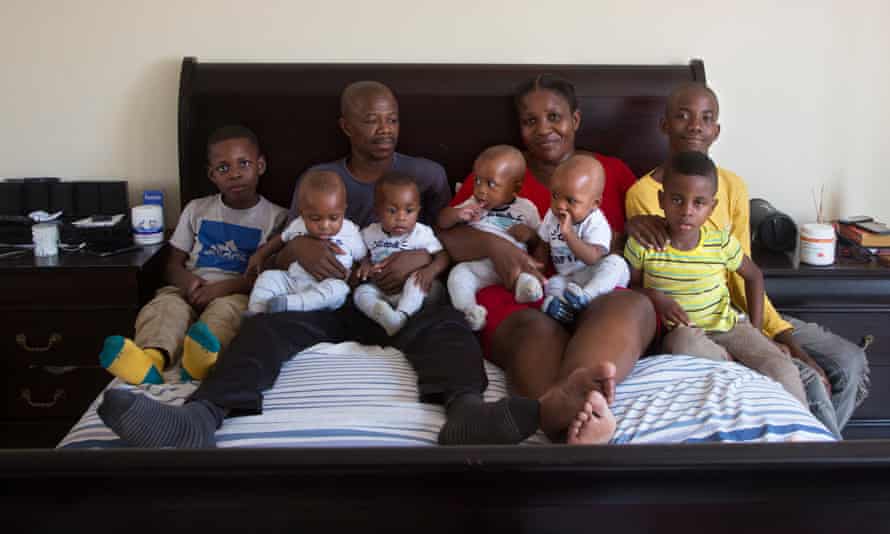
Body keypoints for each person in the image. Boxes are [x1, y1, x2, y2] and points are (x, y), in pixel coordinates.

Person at [95, 81, 601, 448]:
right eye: (369, 119)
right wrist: (298, 252)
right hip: (330, 293)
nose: (383, 129)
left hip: (402, 293)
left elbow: (453, 237)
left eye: (391, 119)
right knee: (264, 326)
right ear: (345, 126)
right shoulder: (319, 177)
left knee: (447, 326)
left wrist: (424, 260)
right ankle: (200, 416)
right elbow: (287, 240)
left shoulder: (424, 174)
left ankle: (466, 411)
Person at [624, 82, 868, 438]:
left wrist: (771, 333)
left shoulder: (732, 186)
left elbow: (744, 273)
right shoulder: (643, 195)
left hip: (734, 316)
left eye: (706, 119)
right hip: (688, 324)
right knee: (806, 377)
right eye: (683, 116)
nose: (695, 126)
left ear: (716, 130)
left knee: (848, 362)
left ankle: (819, 454)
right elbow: (642, 277)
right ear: (664, 125)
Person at [439, 74, 657, 444]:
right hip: (524, 295)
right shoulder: (499, 171)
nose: (544, 129)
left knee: (632, 305)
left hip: (592, 290)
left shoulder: (613, 171)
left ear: (576, 120)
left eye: (554, 117)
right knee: (534, 327)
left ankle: (571, 405)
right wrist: (496, 247)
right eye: (530, 121)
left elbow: (639, 236)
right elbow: (447, 236)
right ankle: (571, 415)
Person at [99, 125, 287, 384]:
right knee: (164, 308)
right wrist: (187, 282)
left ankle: (199, 362)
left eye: (243, 163)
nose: (234, 174)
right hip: (188, 288)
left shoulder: (277, 217)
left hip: (237, 291)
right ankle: (150, 359)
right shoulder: (197, 209)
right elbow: (172, 264)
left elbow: (270, 276)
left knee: (227, 314)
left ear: (260, 165)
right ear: (212, 174)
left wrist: (222, 288)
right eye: (223, 168)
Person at [625, 151, 807, 404]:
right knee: (680, 344)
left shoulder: (720, 243)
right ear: (661, 199)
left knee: (783, 369)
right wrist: (656, 298)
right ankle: (732, 366)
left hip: (728, 327)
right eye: (677, 200)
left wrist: (756, 331)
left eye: (698, 202)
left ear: (712, 207)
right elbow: (628, 287)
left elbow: (753, 276)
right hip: (684, 333)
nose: (687, 211)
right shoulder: (644, 243)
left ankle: (803, 438)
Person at [439, 145, 543, 330]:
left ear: (515, 187)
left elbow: (541, 243)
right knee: (459, 275)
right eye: (477, 181)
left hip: (514, 265)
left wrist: (530, 235)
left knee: (526, 277)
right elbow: (442, 223)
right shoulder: (472, 203)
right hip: (479, 265)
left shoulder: (526, 209)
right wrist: (458, 214)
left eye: (491, 184)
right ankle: (470, 312)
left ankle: (527, 289)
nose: (480, 190)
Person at [246, 171, 365, 314]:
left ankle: (291, 304)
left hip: (326, 286)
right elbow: (281, 238)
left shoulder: (350, 231)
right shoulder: (299, 225)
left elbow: (364, 255)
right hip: (293, 281)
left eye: (333, 218)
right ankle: (256, 311)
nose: (325, 225)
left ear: (343, 210)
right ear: (302, 213)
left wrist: (363, 268)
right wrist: (260, 255)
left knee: (340, 290)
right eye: (315, 218)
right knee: (268, 277)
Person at [533, 154, 630, 323]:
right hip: (569, 278)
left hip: (594, 274)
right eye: (555, 195)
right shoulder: (552, 215)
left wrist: (569, 234)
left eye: (571, 201)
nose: (560, 205)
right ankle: (567, 312)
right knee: (552, 284)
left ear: (594, 204)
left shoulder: (596, 221)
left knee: (617, 263)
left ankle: (587, 296)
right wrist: (537, 273)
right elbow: (543, 246)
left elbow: (593, 257)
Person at [354, 172, 448, 335]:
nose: (401, 217)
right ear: (377, 211)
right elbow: (362, 255)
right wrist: (366, 265)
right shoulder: (369, 233)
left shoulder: (421, 233)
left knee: (418, 282)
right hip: (382, 291)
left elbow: (443, 256)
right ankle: (384, 315)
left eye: (409, 210)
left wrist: (430, 271)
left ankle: (401, 316)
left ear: (418, 211)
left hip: (414, 292)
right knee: (360, 294)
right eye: (392, 211)